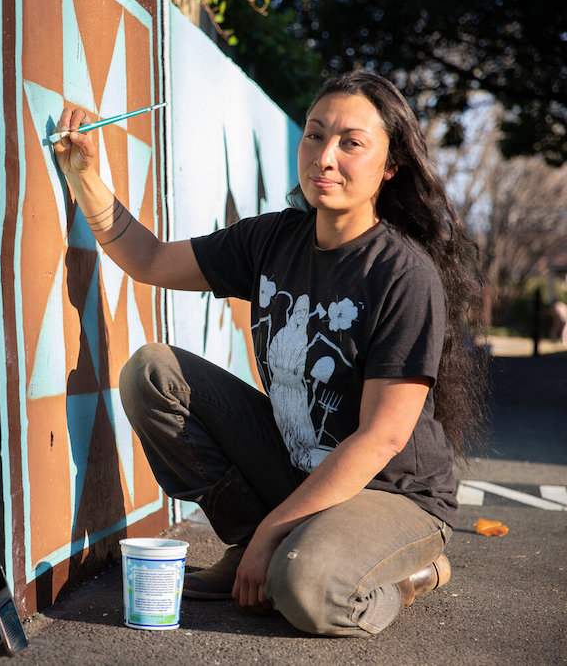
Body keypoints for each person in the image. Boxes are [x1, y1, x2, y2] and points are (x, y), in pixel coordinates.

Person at [52, 70, 488, 637]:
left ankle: (413, 574)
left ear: (390, 166)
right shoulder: (273, 238)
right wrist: (85, 173)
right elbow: (151, 261)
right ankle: (256, 547)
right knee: (153, 374)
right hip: (302, 468)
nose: (325, 157)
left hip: (392, 493)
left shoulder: (402, 275)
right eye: (315, 135)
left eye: (351, 142)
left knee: (305, 591)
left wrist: (273, 535)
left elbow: (381, 438)